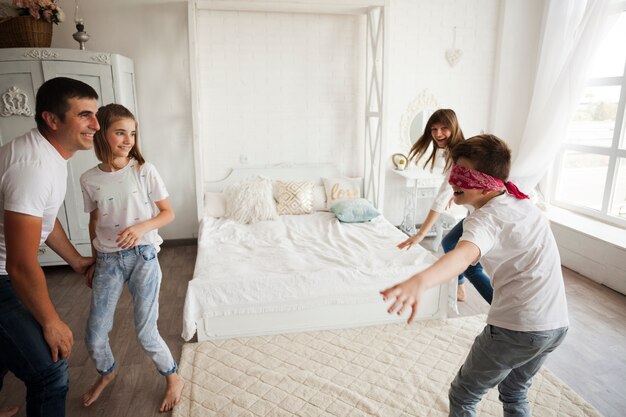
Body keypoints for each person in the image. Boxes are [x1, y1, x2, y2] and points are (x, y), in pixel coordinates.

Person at [382, 134, 569, 417]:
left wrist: (422, 279)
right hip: (555, 326)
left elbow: (463, 256)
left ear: (485, 184)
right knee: (515, 391)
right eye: (453, 170)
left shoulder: (486, 219)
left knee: (463, 394)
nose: (452, 179)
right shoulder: (523, 204)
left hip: (516, 328)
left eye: (462, 173)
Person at [0, 77, 99, 417]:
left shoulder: (48, 154)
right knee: (49, 371)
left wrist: (75, 260)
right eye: (84, 115)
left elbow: (44, 218)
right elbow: (20, 265)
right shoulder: (33, 168)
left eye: (96, 115)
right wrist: (52, 321)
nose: (96, 125)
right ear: (52, 120)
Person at [79, 104, 184, 413]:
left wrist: (140, 228)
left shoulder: (143, 170)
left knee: (145, 331)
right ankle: (107, 372)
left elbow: (168, 213)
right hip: (108, 261)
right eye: (120, 132)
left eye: (132, 133)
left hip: (144, 257)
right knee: (95, 334)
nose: (128, 140)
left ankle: (173, 376)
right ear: (102, 134)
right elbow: (94, 220)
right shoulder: (89, 179)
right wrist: (95, 259)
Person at [397, 109, 493, 304]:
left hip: (487, 211)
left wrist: (420, 234)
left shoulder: (460, 154)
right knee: (451, 245)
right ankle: (462, 289)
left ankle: (493, 303)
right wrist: (457, 192)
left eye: (443, 128)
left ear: (454, 127)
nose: (438, 134)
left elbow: (440, 199)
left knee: (461, 255)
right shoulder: (457, 150)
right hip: (483, 209)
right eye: (433, 129)